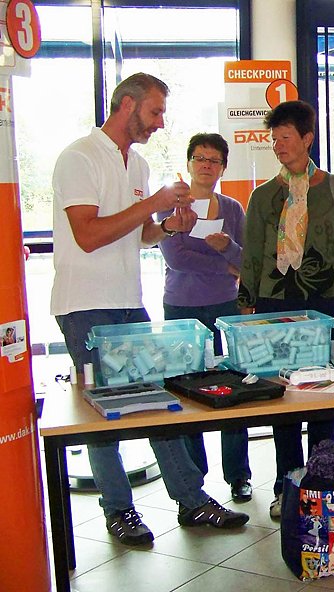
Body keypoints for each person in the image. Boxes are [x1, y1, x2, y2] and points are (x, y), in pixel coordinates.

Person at [51, 73, 249, 546]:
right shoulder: (79, 157)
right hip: (85, 305)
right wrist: (155, 205)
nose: (160, 123)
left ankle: (191, 499)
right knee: (105, 412)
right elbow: (88, 235)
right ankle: (119, 509)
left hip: (128, 302)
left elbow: (140, 236)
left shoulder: (137, 165)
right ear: (127, 105)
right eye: (155, 111)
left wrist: (169, 226)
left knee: (160, 402)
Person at [237, 100, 334, 519]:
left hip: (329, 301)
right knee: (283, 398)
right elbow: (252, 255)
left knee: (325, 394)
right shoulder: (263, 196)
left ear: (307, 139)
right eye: (274, 139)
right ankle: (287, 485)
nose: (278, 146)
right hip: (277, 303)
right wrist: (246, 308)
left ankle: (322, 480)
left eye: (286, 137)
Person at [157, 132, 253, 502]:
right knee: (186, 388)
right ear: (188, 163)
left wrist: (228, 248)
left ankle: (238, 475)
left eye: (214, 160)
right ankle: (194, 478)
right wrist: (223, 264)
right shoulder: (169, 206)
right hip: (181, 308)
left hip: (225, 308)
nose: (206, 166)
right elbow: (176, 259)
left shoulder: (232, 208)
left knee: (233, 386)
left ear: (223, 168)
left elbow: (245, 260)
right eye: (200, 158)